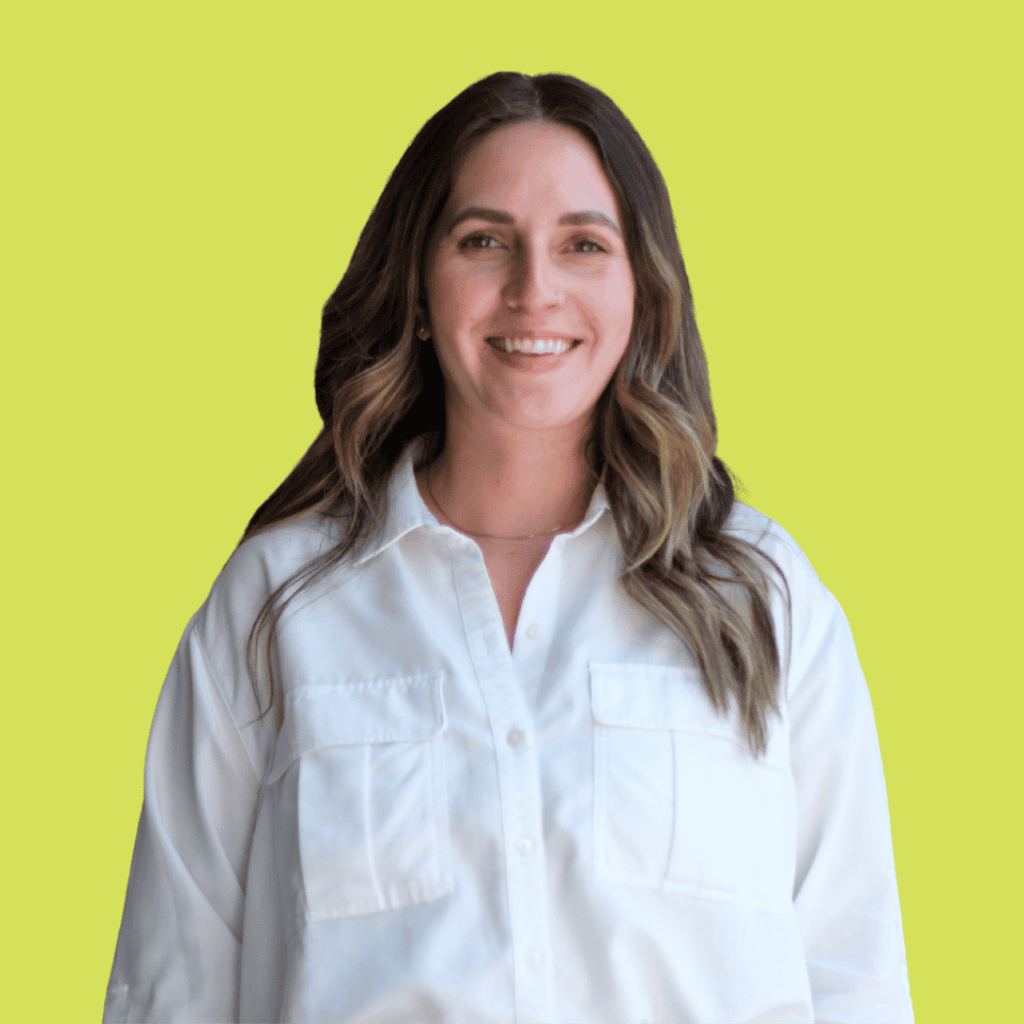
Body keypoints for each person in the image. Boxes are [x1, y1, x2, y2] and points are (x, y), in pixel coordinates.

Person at [103, 72, 914, 1023]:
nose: (535, 290)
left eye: (583, 245)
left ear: (642, 292)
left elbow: (856, 979)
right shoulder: (278, 605)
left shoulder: (763, 597)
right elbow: (171, 989)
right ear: (419, 283)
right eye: (485, 241)